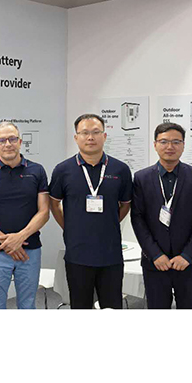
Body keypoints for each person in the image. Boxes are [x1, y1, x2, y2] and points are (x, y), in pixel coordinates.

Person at [49, 114, 132, 309]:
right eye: (84, 133)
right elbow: (54, 203)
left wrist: (109, 223)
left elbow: (125, 204)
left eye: (96, 132)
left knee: (111, 308)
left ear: (104, 136)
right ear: (76, 137)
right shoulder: (63, 170)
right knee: (80, 306)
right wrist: (70, 226)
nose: (90, 137)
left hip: (110, 253)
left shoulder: (120, 169)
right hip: (78, 253)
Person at [131, 122, 192, 309]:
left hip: (190, 263)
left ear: (183, 145)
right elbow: (138, 219)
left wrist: (188, 256)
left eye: (176, 142)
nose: (170, 146)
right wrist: (155, 254)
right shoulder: (142, 178)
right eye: (164, 141)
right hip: (155, 263)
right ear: (155, 145)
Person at [0, 122, 50, 309]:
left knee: (27, 305)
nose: (7, 144)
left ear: (20, 142)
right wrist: (8, 243)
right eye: (1, 140)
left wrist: (20, 237)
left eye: (12, 139)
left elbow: (44, 212)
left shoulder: (37, 170)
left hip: (30, 250)